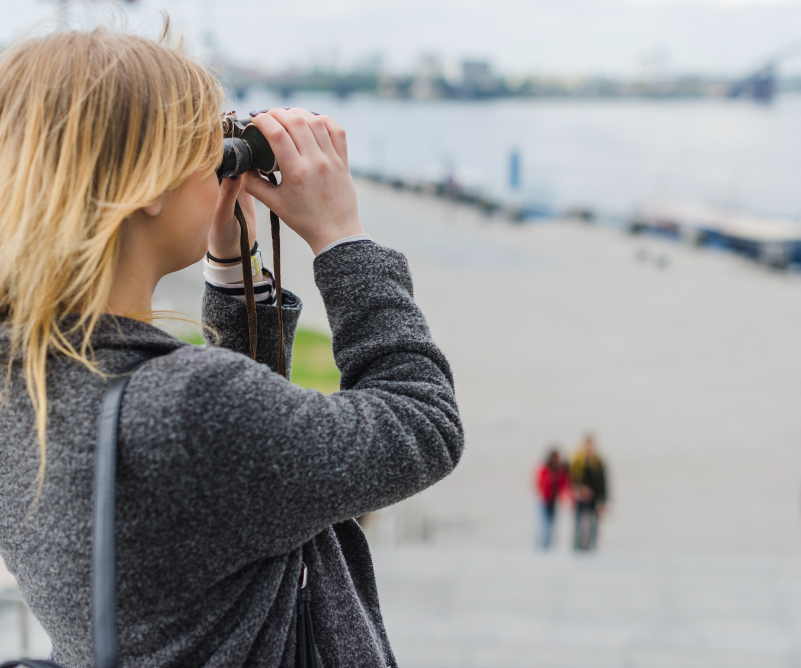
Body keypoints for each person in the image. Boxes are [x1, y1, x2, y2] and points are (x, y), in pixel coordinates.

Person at [0, 27, 463, 667]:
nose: (225, 163)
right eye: (207, 145)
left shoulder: (24, 381)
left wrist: (231, 267)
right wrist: (342, 240)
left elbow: (238, 486)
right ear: (148, 188)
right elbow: (423, 426)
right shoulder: (186, 409)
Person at [569, 434, 608, 552]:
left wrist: (603, 501)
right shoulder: (577, 461)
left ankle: (591, 550)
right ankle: (577, 550)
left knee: (594, 526)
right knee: (579, 525)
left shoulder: (598, 462)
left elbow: (603, 483)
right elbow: (571, 479)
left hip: (595, 499)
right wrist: (580, 489)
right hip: (580, 498)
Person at [534, 447, 569, 550]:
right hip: (545, 500)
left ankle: (550, 547)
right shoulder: (545, 469)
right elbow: (540, 483)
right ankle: (542, 547)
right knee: (543, 526)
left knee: (553, 526)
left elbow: (564, 484)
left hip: (555, 500)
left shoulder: (560, 470)